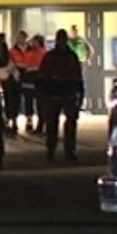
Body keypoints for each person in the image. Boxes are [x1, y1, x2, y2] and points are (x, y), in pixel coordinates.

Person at [35, 29, 85, 161]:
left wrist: (79, 96)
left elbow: (78, 78)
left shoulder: (63, 56)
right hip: (56, 94)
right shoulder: (59, 56)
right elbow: (43, 77)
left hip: (64, 94)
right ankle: (54, 150)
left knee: (66, 124)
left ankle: (65, 150)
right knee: (54, 124)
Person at [12, 31, 43, 133]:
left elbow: (31, 64)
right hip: (25, 78)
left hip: (32, 78)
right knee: (25, 101)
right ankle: (31, 122)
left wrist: (29, 68)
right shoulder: (14, 50)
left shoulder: (34, 51)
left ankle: (33, 123)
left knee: (32, 101)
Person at [0, 32, 19, 138]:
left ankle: (8, 122)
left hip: (4, 79)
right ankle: (10, 121)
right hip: (7, 79)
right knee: (9, 102)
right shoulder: (3, 49)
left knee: (7, 102)